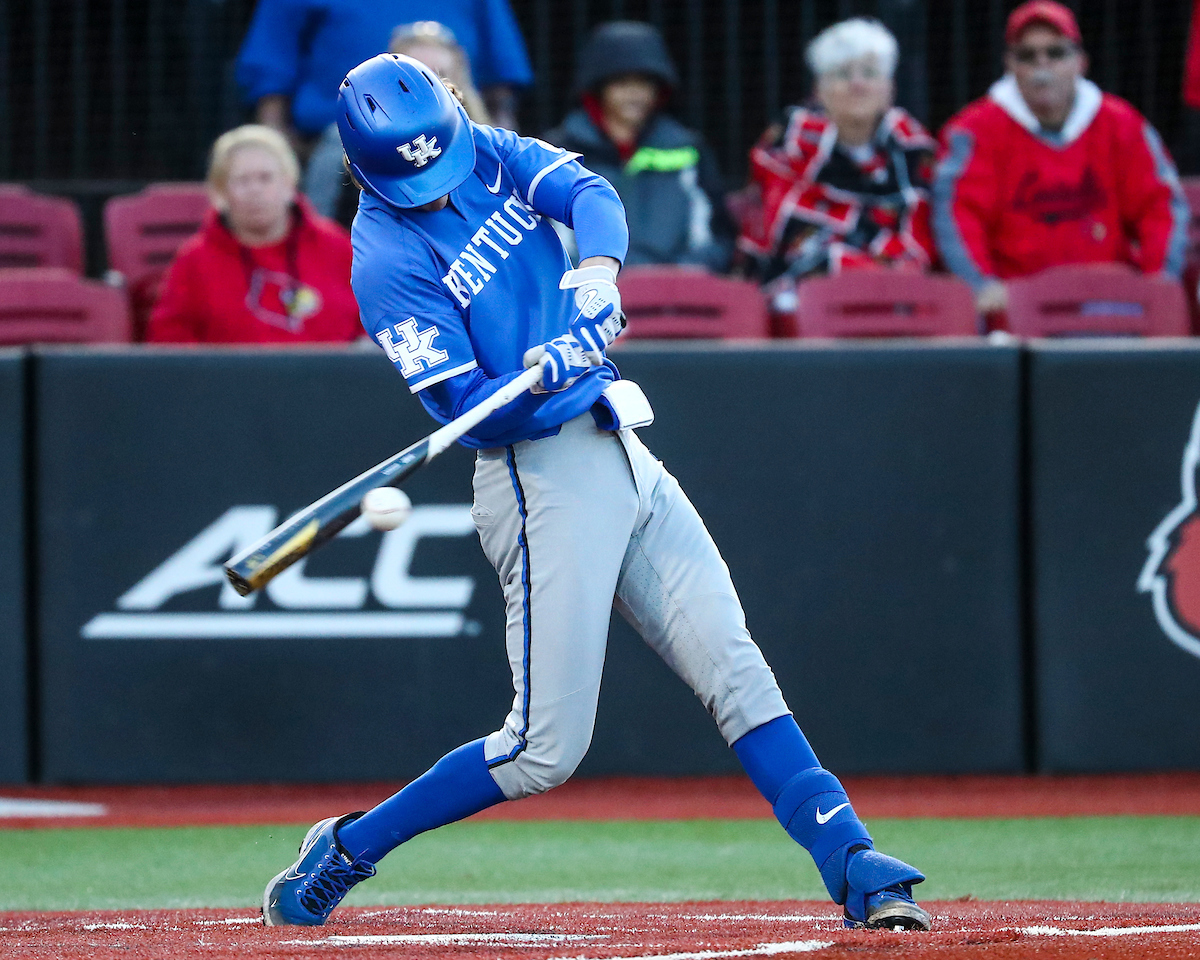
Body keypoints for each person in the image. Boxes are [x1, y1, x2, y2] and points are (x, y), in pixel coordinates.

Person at [259, 52, 932, 934]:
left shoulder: (483, 147)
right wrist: (538, 375)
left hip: (618, 441)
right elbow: (473, 414)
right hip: (538, 478)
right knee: (544, 750)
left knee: (735, 668)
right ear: (362, 168)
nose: (438, 183)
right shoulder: (384, 259)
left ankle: (853, 863)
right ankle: (346, 849)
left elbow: (590, 196)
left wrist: (598, 277)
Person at [933, 0, 1188, 319]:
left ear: (1080, 61)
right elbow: (956, 216)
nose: (1042, 66)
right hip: (1017, 311)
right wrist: (980, 286)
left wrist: (1157, 285)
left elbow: (1161, 206)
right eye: (1027, 56)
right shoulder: (974, 131)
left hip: (1111, 308)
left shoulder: (1121, 124)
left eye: (1056, 53)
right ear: (1009, 65)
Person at [738, 18, 936, 311]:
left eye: (870, 73)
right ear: (820, 89)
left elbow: (919, 237)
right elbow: (784, 228)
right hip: (800, 289)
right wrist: (854, 264)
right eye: (843, 74)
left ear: (889, 88)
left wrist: (877, 273)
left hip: (899, 292)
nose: (857, 84)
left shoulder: (912, 146)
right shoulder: (788, 142)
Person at [542, 21, 731, 271]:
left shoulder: (687, 150)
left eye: (644, 82)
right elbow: (540, 240)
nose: (635, 93)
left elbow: (720, 236)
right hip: (583, 299)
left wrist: (686, 273)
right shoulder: (557, 152)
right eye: (621, 82)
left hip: (676, 300)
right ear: (598, 88)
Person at [147, 125, 360, 344]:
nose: (254, 189)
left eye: (265, 178)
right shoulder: (193, 260)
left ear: (289, 185)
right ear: (220, 193)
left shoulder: (337, 247)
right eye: (242, 180)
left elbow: (377, 325)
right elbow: (169, 344)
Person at [235, 0, 532, 148]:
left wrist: (503, 141)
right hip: (343, 143)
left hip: (459, 134)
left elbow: (501, 75)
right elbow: (271, 67)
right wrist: (276, 148)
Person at [303, 20, 492, 225]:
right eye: (409, 76)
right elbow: (320, 230)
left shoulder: (493, 142)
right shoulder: (351, 148)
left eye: (439, 74)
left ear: (459, 76)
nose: (419, 87)